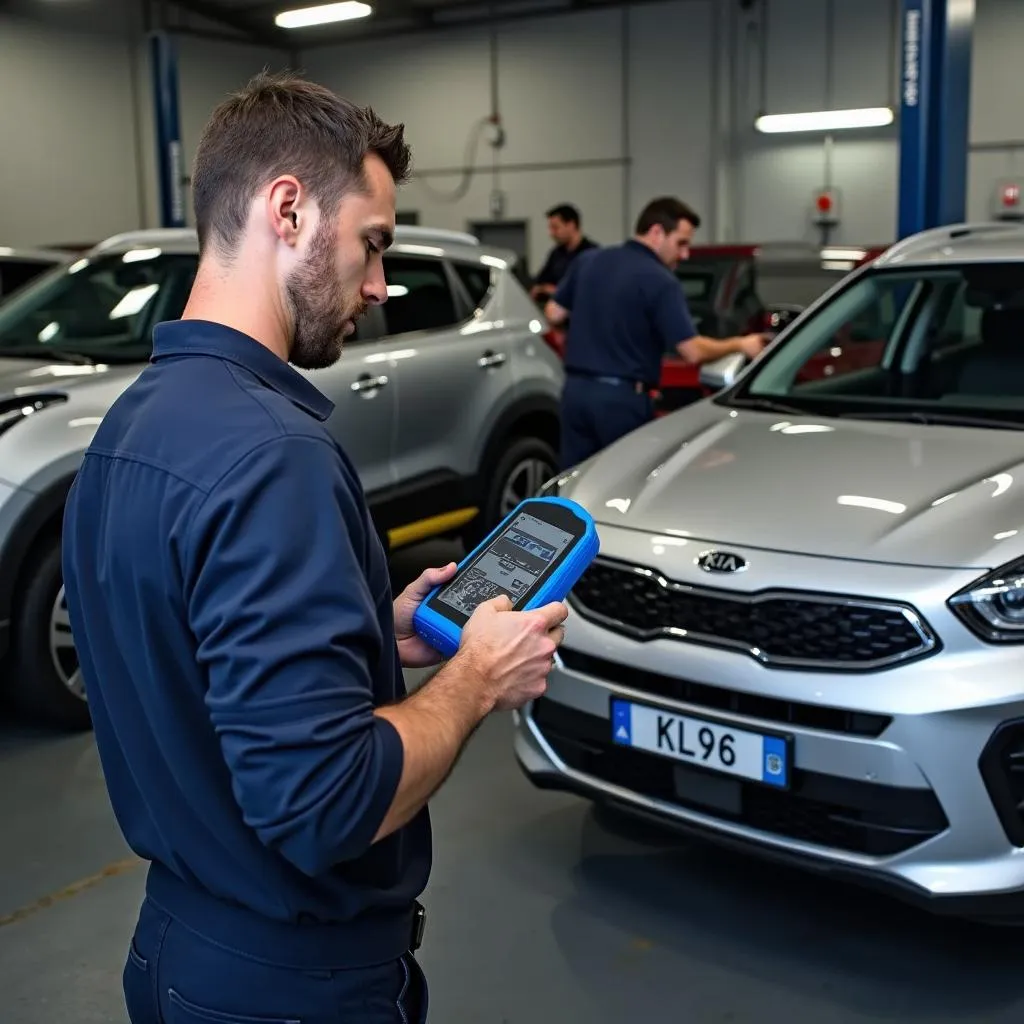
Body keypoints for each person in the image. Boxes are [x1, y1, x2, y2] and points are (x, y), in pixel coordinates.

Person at [60, 71, 568, 1024]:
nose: (379, 286)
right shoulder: (277, 455)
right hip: (290, 986)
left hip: (175, 949)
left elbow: (186, 647)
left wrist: (372, 631)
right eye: (373, 244)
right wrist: (477, 679)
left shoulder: (133, 426)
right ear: (287, 209)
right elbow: (327, 803)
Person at [544, 196, 767, 468]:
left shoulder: (589, 260)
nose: (685, 254)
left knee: (574, 485)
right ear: (656, 232)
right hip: (621, 402)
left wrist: (575, 334)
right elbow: (692, 351)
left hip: (575, 393)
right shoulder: (660, 280)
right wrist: (740, 344)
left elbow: (553, 313)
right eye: (681, 243)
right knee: (622, 489)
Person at [529, 203, 598, 304]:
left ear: (571, 225)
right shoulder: (556, 254)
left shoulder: (593, 254)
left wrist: (556, 291)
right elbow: (541, 280)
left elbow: (591, 289)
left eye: (555, 228)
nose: (551, 233)